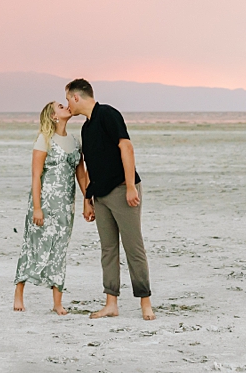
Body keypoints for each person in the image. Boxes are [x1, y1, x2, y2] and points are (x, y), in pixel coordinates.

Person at [66, 78, 155, 320]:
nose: (68, 106)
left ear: (76, 97)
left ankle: (145, 302)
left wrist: (129, 186)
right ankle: (111, 303)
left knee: (133, 247)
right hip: (101, 196)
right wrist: (88, 198)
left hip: (122, 189)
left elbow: (126, 147)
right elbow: (92, 165)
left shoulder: (107, 114)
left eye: (68, 100)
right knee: (108, 250)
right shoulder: (86, 127)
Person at [14, 101, 90, 314]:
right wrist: (37, 208)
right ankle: (19, 291)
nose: (65, 106)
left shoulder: (75, 142)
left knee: (59, 250)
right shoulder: (43, 140)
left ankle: (57, 302)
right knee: (33, 246)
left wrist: (88, 199)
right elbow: (36, 176)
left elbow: (81, 174)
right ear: (54, 116)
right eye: (60, 105)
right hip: (45, 204)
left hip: (66, 206)